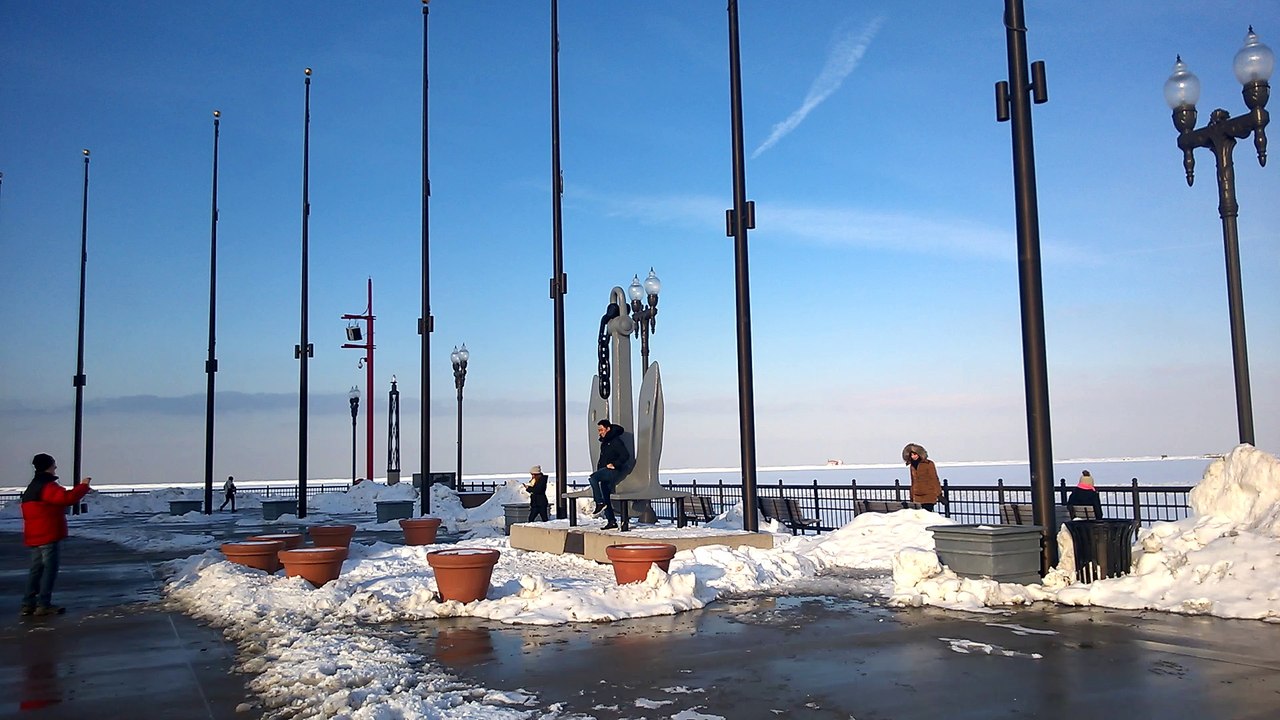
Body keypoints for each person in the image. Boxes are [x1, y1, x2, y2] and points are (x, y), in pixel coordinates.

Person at [21, 453, 91, 617]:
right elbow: (66, 498)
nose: (55, 468)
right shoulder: (47, 486)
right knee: (49, 570)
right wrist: (83, 486)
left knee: (36, 570)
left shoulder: (32, 487)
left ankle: (28, 603)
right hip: (48, 534)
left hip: (34, 535)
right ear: (48, 466)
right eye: (54, 465)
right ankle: (44, 604)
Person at [588, 419, 631, 530]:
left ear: (608, 429)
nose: (600, 432)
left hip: (613, 471)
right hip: (605, 470)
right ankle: (611, 521)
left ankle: (599, 502)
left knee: (593, 478)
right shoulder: (605, 442)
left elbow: (625, 455)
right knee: (605, 494)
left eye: (601, 429)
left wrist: (615, 464)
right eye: (598, 430)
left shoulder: (615, 441)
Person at [902, 443, 942, 512]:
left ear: (919, 454)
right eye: (911, 455)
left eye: (915, 454)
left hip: (928, 496)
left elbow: (934, 479)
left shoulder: (928, 464)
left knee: (927, 515)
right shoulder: (912, 466)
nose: (913, 456)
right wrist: (911, 496)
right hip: (917, 497)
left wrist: (939, 494)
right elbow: (913, 481)